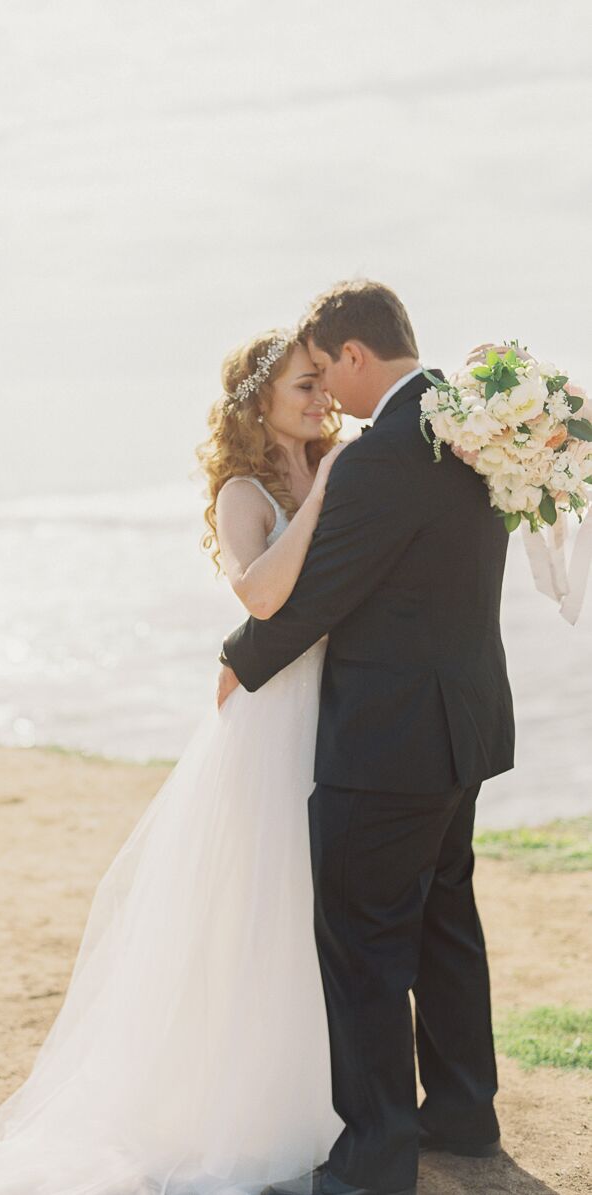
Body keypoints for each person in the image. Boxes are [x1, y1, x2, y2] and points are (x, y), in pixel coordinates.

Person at [0, 329, 347, 1195]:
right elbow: (260, 595)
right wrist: (322, 495)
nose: (320, 396)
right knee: (259, 909)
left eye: (324, 381)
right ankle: (245, 1114)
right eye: (303, 383)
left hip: (334, 711)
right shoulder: (246, 492)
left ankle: (322, 1101)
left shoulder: (334, 464)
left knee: (320, 912)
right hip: (268, 721)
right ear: (260, 400)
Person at [218, 281, 514, 1195]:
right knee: (442, 924)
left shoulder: (388, 450)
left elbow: (322, 592)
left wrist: (240, 658)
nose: (327, 397)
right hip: (461, 722)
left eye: (326, 374)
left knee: (366, 945)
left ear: (352, 355)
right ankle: (462, 1110)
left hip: (389, 742)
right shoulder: (467, 424)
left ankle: (375, 1160)